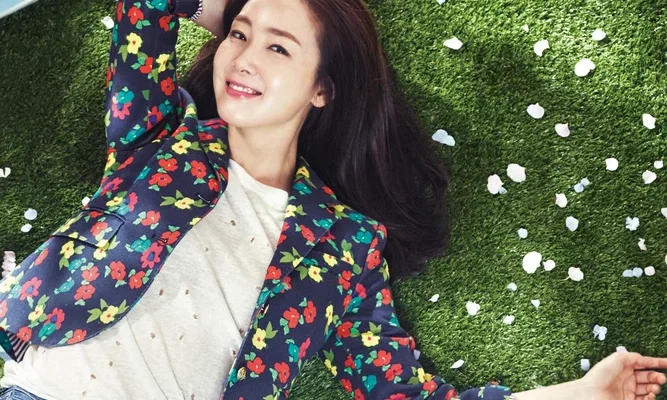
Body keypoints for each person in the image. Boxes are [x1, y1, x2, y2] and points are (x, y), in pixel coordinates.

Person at [0, 0, 665, 399]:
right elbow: (143, 13)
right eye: (240, 36)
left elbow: (404, 394)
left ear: (323, 88)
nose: (245, 58)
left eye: (279, 48)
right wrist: (231, 12)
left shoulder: (345, 247)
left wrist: (577, 394)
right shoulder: (159, 135)